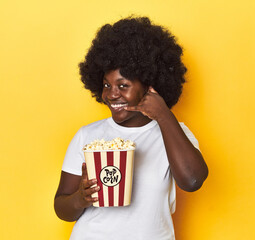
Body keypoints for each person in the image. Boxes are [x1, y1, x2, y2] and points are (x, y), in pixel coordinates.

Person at [54, 16, 208, 240]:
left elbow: (192, 181)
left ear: (149, 84)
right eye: (107, 85)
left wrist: (163, 114)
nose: (112, 94)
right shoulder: (87, 135)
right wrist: (81, 197)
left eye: (123, 85)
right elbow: (62, 207)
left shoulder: (175, 132)